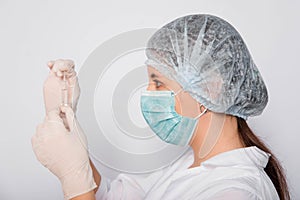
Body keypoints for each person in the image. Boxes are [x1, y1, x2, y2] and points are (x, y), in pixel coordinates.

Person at [31, 14, 290, 200]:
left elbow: (83, 191)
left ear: (211, 88)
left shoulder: (237, 192)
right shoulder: (186, 165)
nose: (148, 95)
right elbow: (108, 196)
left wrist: (75, 182)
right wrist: (66, 122)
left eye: (158, 83)